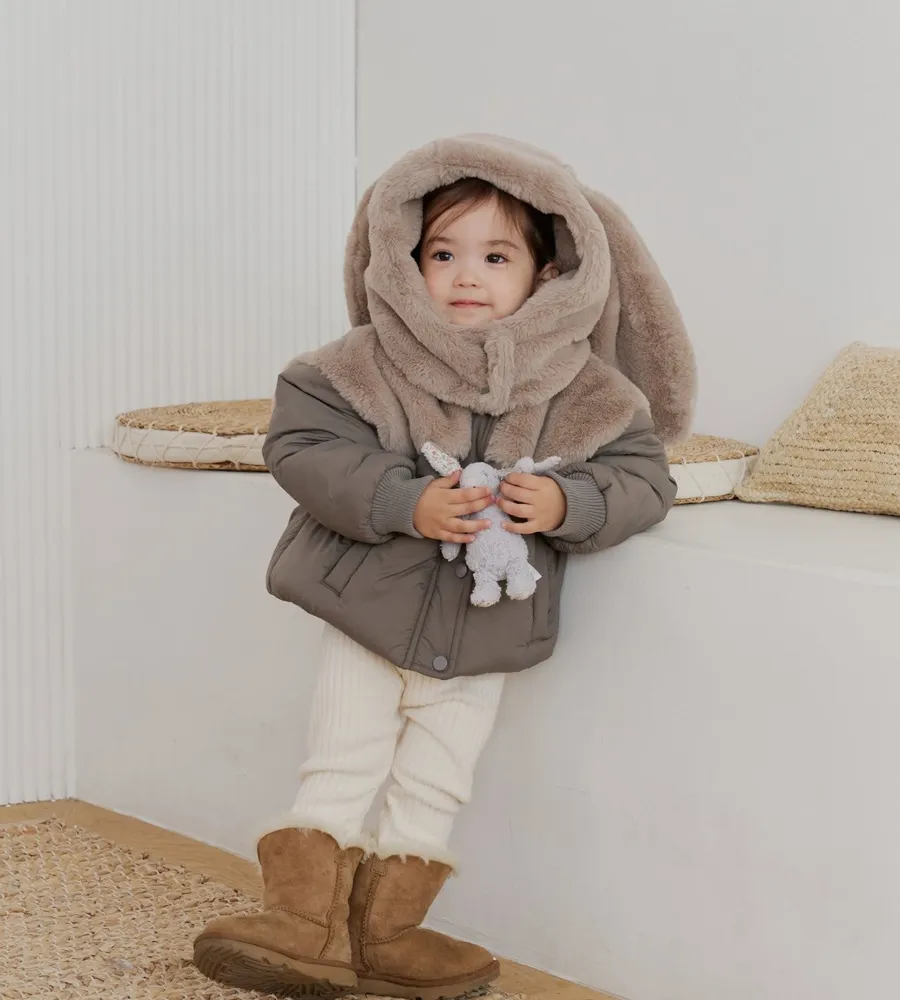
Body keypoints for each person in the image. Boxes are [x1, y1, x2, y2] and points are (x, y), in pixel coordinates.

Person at [193, 134, 695, 999]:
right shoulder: (358, 364)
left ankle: (386, 935)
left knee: (437, 778)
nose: (467, 275)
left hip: (488, 628)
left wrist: (568, 503)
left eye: (496, 256)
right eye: (442, 254)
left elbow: (647, 479)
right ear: (404, 259)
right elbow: (302, 445)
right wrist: (403, 500)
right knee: (341, 758)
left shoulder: (589, 391)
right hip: (364, 610)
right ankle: (302, 922)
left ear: (548, 272)